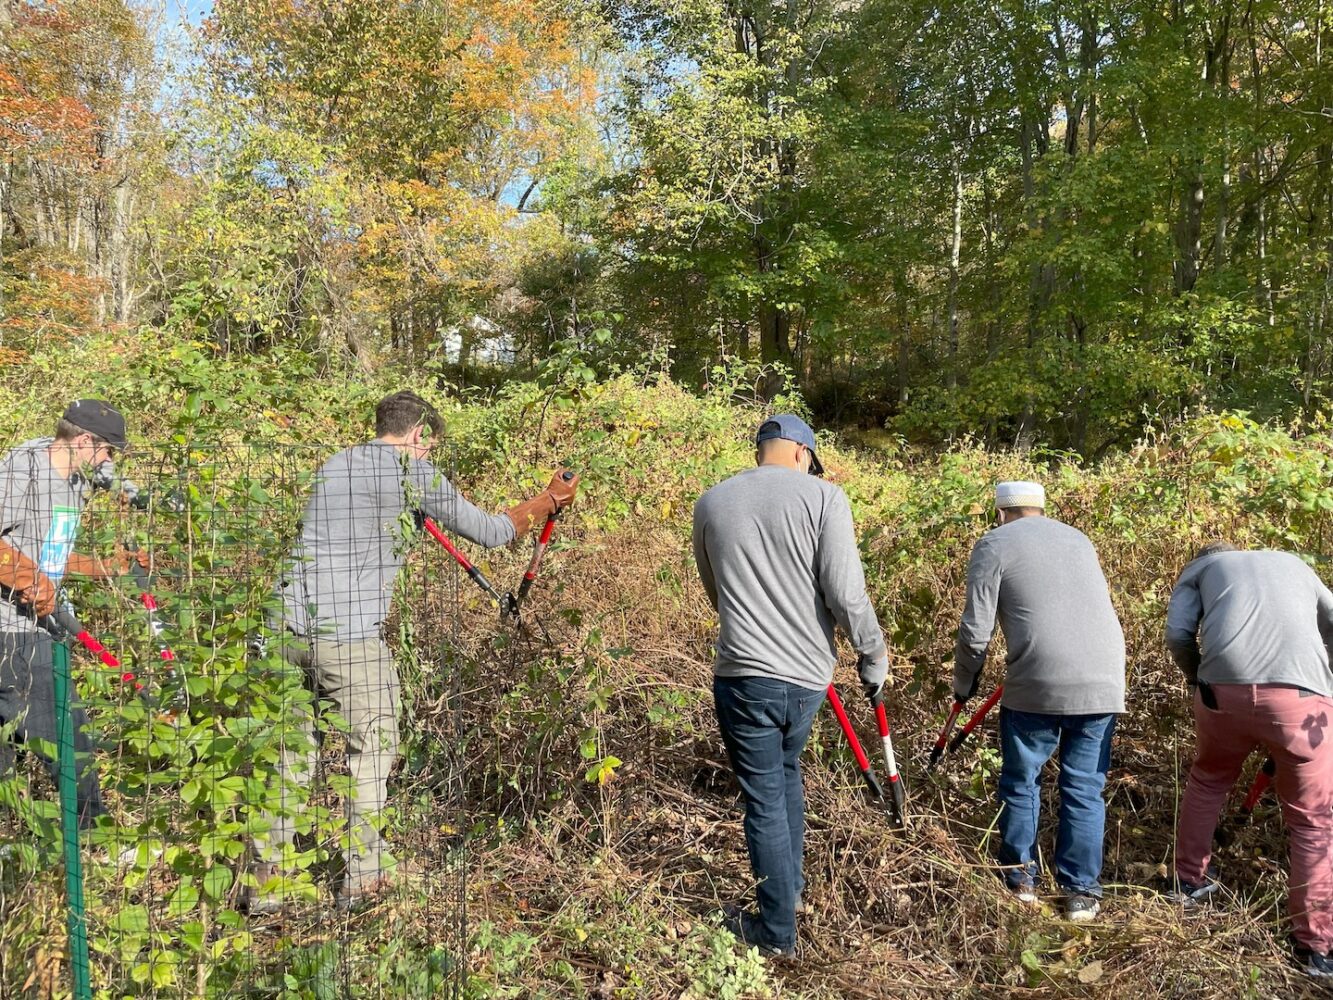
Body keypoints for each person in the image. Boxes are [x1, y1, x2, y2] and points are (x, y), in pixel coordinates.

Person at [254, 390, 577, 912]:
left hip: (281, 628)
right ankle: (364, 876)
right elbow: (493, 533)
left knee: (290, 748)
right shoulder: (412, 472)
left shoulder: (335, 464)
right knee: (372, 745)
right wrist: (548, 501)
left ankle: (267, 876)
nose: (428, 455)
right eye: (429, 446)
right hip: (347, 632)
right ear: (417, 435)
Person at [692, 414, 888, 959]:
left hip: (743, 675)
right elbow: (846, 594)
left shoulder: (711, 502)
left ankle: (776, 930)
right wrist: (872, 653)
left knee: (764, 797)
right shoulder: (825, 500)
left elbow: (717, 592)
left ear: (764, 451)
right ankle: (788, 899)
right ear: (803, 453)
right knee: (785, 774)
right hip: (806, 680)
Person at [954, 481, 1125, 922]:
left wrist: (964, 683)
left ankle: (1020, 878)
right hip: (1105, 678)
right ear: (1042, 508)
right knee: (1085, 786)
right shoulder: (1079, 539)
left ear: (999, 512)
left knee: (1021, 779)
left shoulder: (993, 543)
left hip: (1039, 678)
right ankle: (1082, 893)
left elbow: (976, 632)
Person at [1164, 542, 1333, 978]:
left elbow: (1178, 635)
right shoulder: (1295, 564)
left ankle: (1188, 883)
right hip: (1302, 702)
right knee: (1313, 820)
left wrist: (1196, 676)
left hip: (1222, 691)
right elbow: (1332, 623)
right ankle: (1314, 946)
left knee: (1208, 780)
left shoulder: (1199, 568)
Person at [0, 399, 142, 829]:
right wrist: (27, 581)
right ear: (83, 441)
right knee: (68, 731)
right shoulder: (21, 473)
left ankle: (23, 852)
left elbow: (50, 557)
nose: (110, 461)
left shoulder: (73, 480)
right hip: (11, 633)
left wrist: (107, 568)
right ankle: (93, 837)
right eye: (108, 450)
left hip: (34, 626)